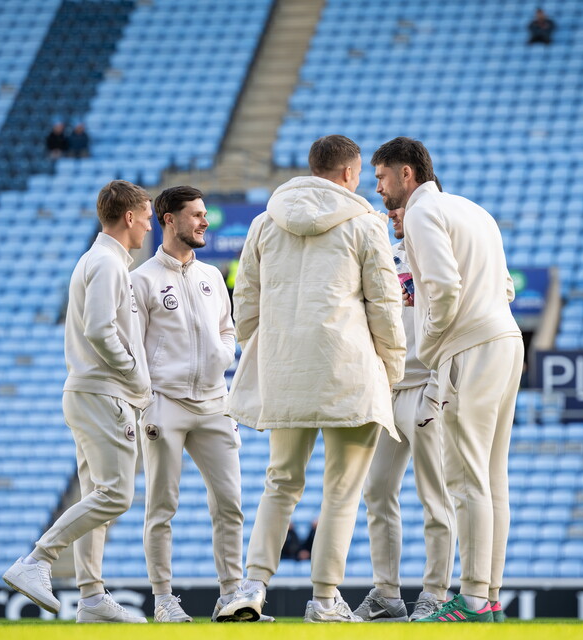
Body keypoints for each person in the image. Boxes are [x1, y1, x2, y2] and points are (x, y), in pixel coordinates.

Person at [218, 135, 406, 623]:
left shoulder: (264, 222)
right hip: (350, 370)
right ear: (348, 173)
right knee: (342, 489)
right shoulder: (366, 223)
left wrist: (267, 351)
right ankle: (324, 599)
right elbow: (384, 305)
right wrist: (393, 367)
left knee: (280, 481)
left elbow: (247, 302)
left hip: (286, 370)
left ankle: (252, 585)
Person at [372, 137, 523, 623]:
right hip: (506, 338)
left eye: (382, 177)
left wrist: (433, 347)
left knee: (466, 477)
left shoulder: (420, 213)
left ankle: (474, 599)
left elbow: (442, 287)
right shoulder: (473, 210)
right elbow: (506, 286)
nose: (380, 189)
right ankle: (490, 596)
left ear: (407, 174)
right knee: (491, 475)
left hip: (470, 347)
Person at [2, 179, 154, 624]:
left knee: (96, 495)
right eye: (145, 216)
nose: (148, 225)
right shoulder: (108, 263)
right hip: (103, 393)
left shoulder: (97, 259)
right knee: (116, 495)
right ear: (128, 217)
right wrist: (133, 374)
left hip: (88, 392)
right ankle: (37, 560)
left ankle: (91, 598)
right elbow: (99, 329)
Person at [129, 186, 244, 623]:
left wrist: (223, 355)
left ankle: (232, 595)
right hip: (165, 405)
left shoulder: (212, 276)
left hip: (215, 403)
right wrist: (149, 400)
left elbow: (228, 330)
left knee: (230, 502)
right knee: (162, 506)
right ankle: (163, 600)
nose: (204, 222)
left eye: (204, 214)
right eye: (195, 215)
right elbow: (134, 349)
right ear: (167, 218)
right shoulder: (141, 280)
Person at [352, 199, 457, 623]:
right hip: (386, 390)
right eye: (391, 213)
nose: (391, 214)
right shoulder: (387, 257)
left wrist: (438, 385)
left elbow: (490, 294)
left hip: (426, 388)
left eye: (397, 210)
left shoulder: (443, 249)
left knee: (435, 497)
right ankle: (387, 595)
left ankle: (434, 593)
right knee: (376, 492)